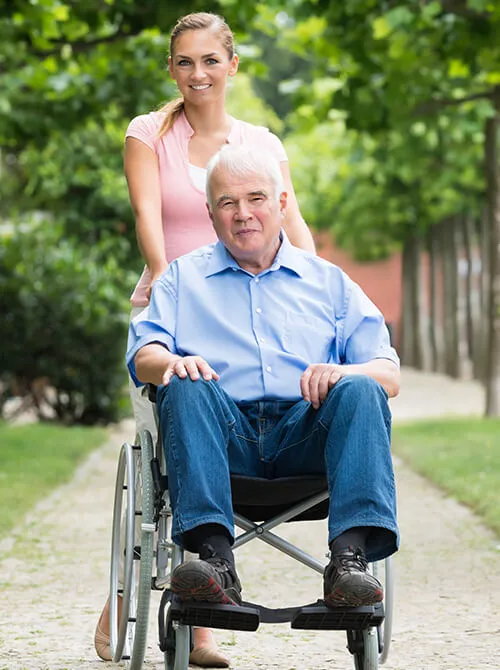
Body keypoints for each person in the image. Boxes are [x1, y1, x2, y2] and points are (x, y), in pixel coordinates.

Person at [94, 11, 315, 668]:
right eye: (184, 62)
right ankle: (203, 627)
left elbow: (293, 226)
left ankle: (196, 614)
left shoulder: (260, 144)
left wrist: (323, 296)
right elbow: (146, 215)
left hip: (253, 314)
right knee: (178, 453)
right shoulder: (148, 134)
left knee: (228, 446)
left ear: (232, 66)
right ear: (172, 69)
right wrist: (166, 281)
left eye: (210, 61)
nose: (197, 74)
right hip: (175, 312)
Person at [126, 145, 401, 619]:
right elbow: (143, 353)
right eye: (228, 203)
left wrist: (343, 371)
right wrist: (173, 362)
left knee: (361, 389)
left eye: (256, 198)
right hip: (220, 435)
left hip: (305, 435)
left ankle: (349, 564)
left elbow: (387, 372)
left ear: (282, 203)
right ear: (210, 214)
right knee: (184, 380)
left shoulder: (329, 283)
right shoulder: (180, 280)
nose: (243, 214)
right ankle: (215, 562)